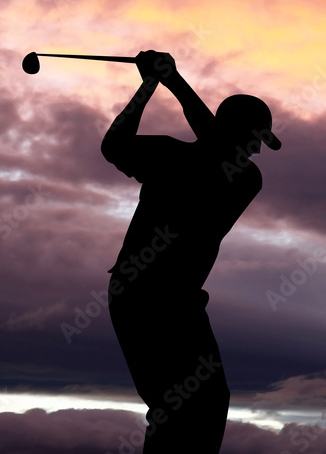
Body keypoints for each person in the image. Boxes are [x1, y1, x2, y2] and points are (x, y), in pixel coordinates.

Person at [100, 50, 280, 453]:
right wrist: (151, 84)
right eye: (254, 139)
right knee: (188, 403)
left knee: (201, 402)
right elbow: (114, 145)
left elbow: (217, 148)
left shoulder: (243, 177)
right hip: (146, 295)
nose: (257, 150)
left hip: (170, 299)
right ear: (238, 132)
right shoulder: (176, 156)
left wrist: (168, 81)